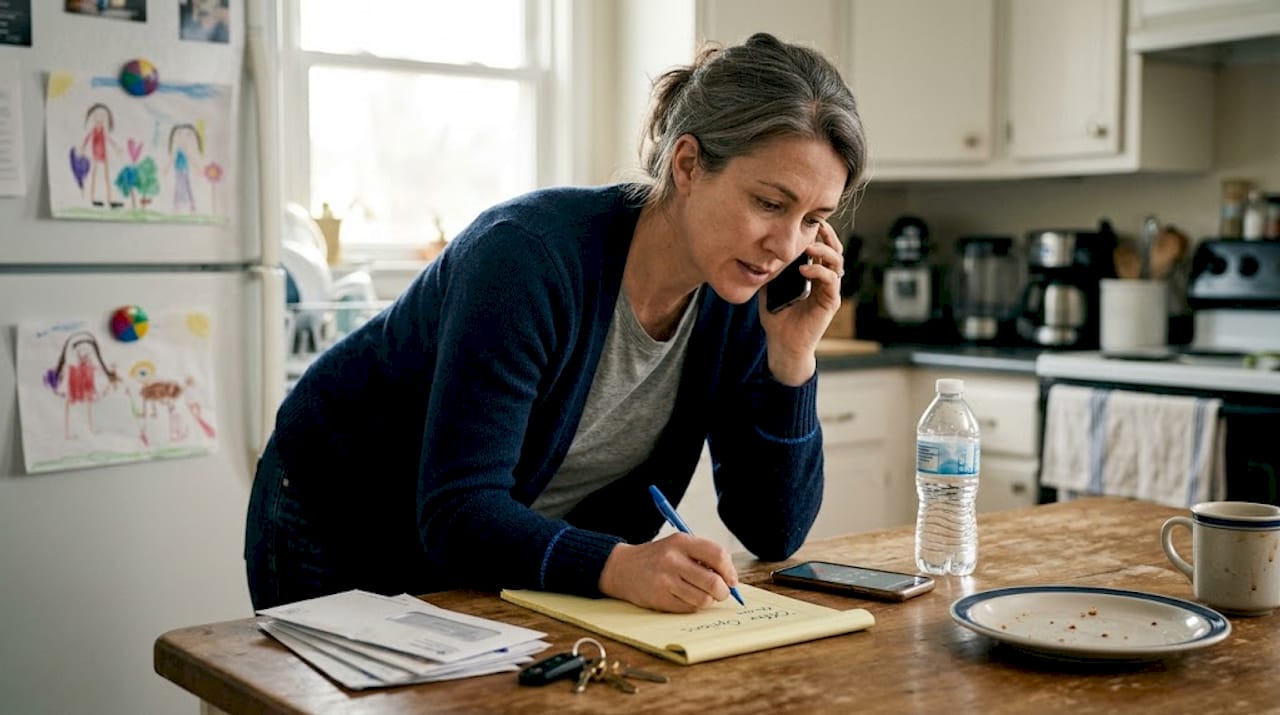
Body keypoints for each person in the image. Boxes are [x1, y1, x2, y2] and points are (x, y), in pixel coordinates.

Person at [245, 32, 867, 613]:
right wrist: (618, 565)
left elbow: (772, 530)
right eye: (769, 203)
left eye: (814, 219)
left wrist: (792, 360)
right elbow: (458, 510)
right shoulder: (525, 258)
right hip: (338, 513)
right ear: (687, 164)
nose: (787, 245)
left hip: (499, 551)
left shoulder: (743, 291)